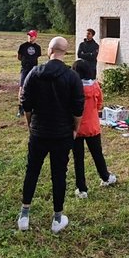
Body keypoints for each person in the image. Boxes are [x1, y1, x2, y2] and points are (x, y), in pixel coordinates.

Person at [17, 36, 84, 234]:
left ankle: (24, 215)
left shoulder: (34, 73)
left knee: (32, 171)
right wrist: (75, 129)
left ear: (49, 50)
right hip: (62, 133)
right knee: (59, 174)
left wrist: (31, 124)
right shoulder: (72, 76)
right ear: (65, 51)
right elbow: (78, 107)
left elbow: (26, 104)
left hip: (39, 131)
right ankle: (57, 218)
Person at [72, 58, 117, 199]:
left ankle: (82, 189)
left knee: (78, 159)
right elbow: (99, 103)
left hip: (76, 127)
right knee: (97, 154)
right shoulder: (95, 86)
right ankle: (106, 177)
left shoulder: (73, 87)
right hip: (92, 126)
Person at [17, 30, 42, 117]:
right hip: (25, 69)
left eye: (31, 36)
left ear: (35, 37)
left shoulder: (38, 47)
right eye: (28, 36)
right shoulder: (23, 46)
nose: (30, 37)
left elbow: (37, 56)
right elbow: (19, 57)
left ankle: (33, 106)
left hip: (34, 69)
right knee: (22, 88)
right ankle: (20, 108)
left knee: (34, 88)